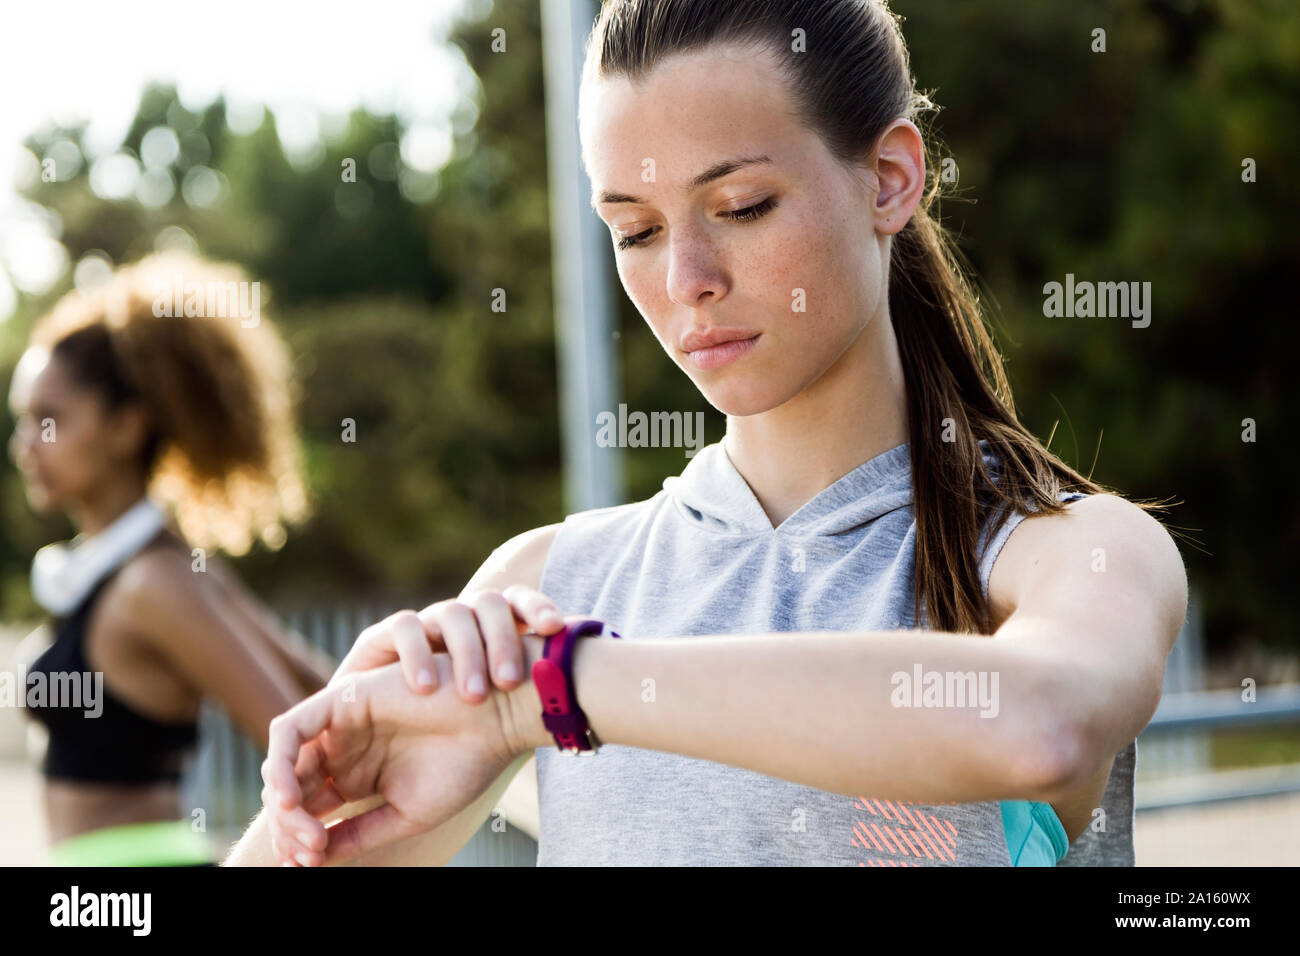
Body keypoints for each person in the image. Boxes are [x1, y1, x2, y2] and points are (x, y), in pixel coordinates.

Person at [233, 0, 1188, 867]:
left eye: (740, 207)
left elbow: (1041, 726)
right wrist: (318, 814)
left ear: (890, 180)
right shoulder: (544, 591)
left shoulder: (1070, 550)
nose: (687, 276)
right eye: (635, 230)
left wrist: (561, 691)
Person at [9, 251, 334, 866]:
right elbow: (318, 689)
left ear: (126, 428)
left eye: (49, 420)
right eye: (22, 422)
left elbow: (311, 752)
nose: (27, 445)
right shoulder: (137, 567)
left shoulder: (153, 582)